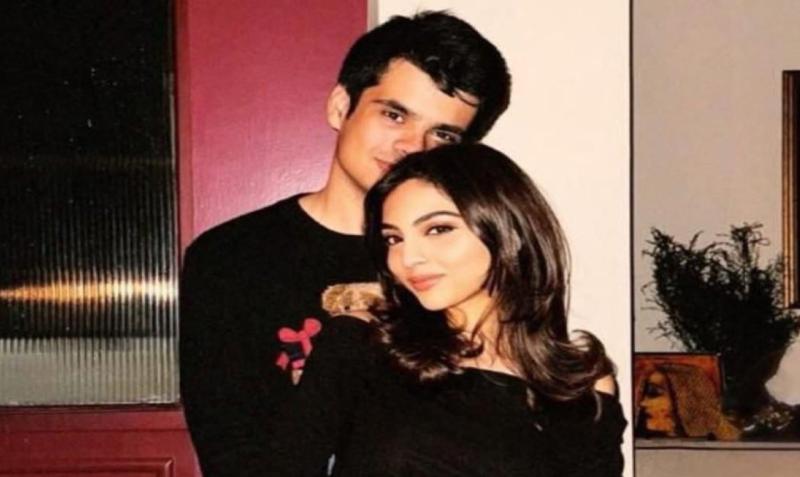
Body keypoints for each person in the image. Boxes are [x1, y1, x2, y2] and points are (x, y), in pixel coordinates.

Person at [179, 11, 511, 477]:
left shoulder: (464, 261)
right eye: (394, 115)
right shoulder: (232, 257)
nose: (412, 146)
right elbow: (229, 447)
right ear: (340, 106)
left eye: (442, 134)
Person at [265, 144, 627, 476]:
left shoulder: (581, 386)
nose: (408, 258)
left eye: (438, 229)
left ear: (509, 230)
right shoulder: (362, 344)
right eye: (393, 238)